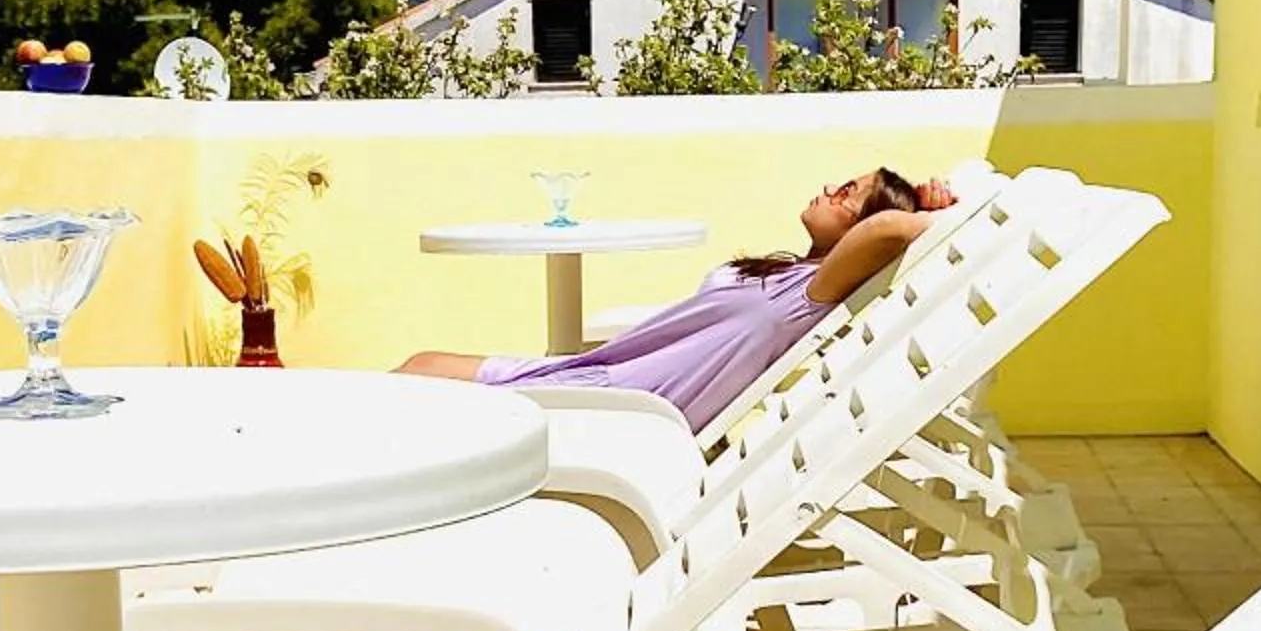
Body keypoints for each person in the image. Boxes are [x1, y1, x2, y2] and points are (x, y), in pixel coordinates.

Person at [399, 168, 958, 435]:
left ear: (857, 227)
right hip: (599, 375)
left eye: (849, 194)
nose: (831, 186)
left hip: (627, 404)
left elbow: (889, 229)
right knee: (419, 366)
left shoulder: (811, 295)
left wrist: (938, 208)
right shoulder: (792, 274)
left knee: (412, 383)